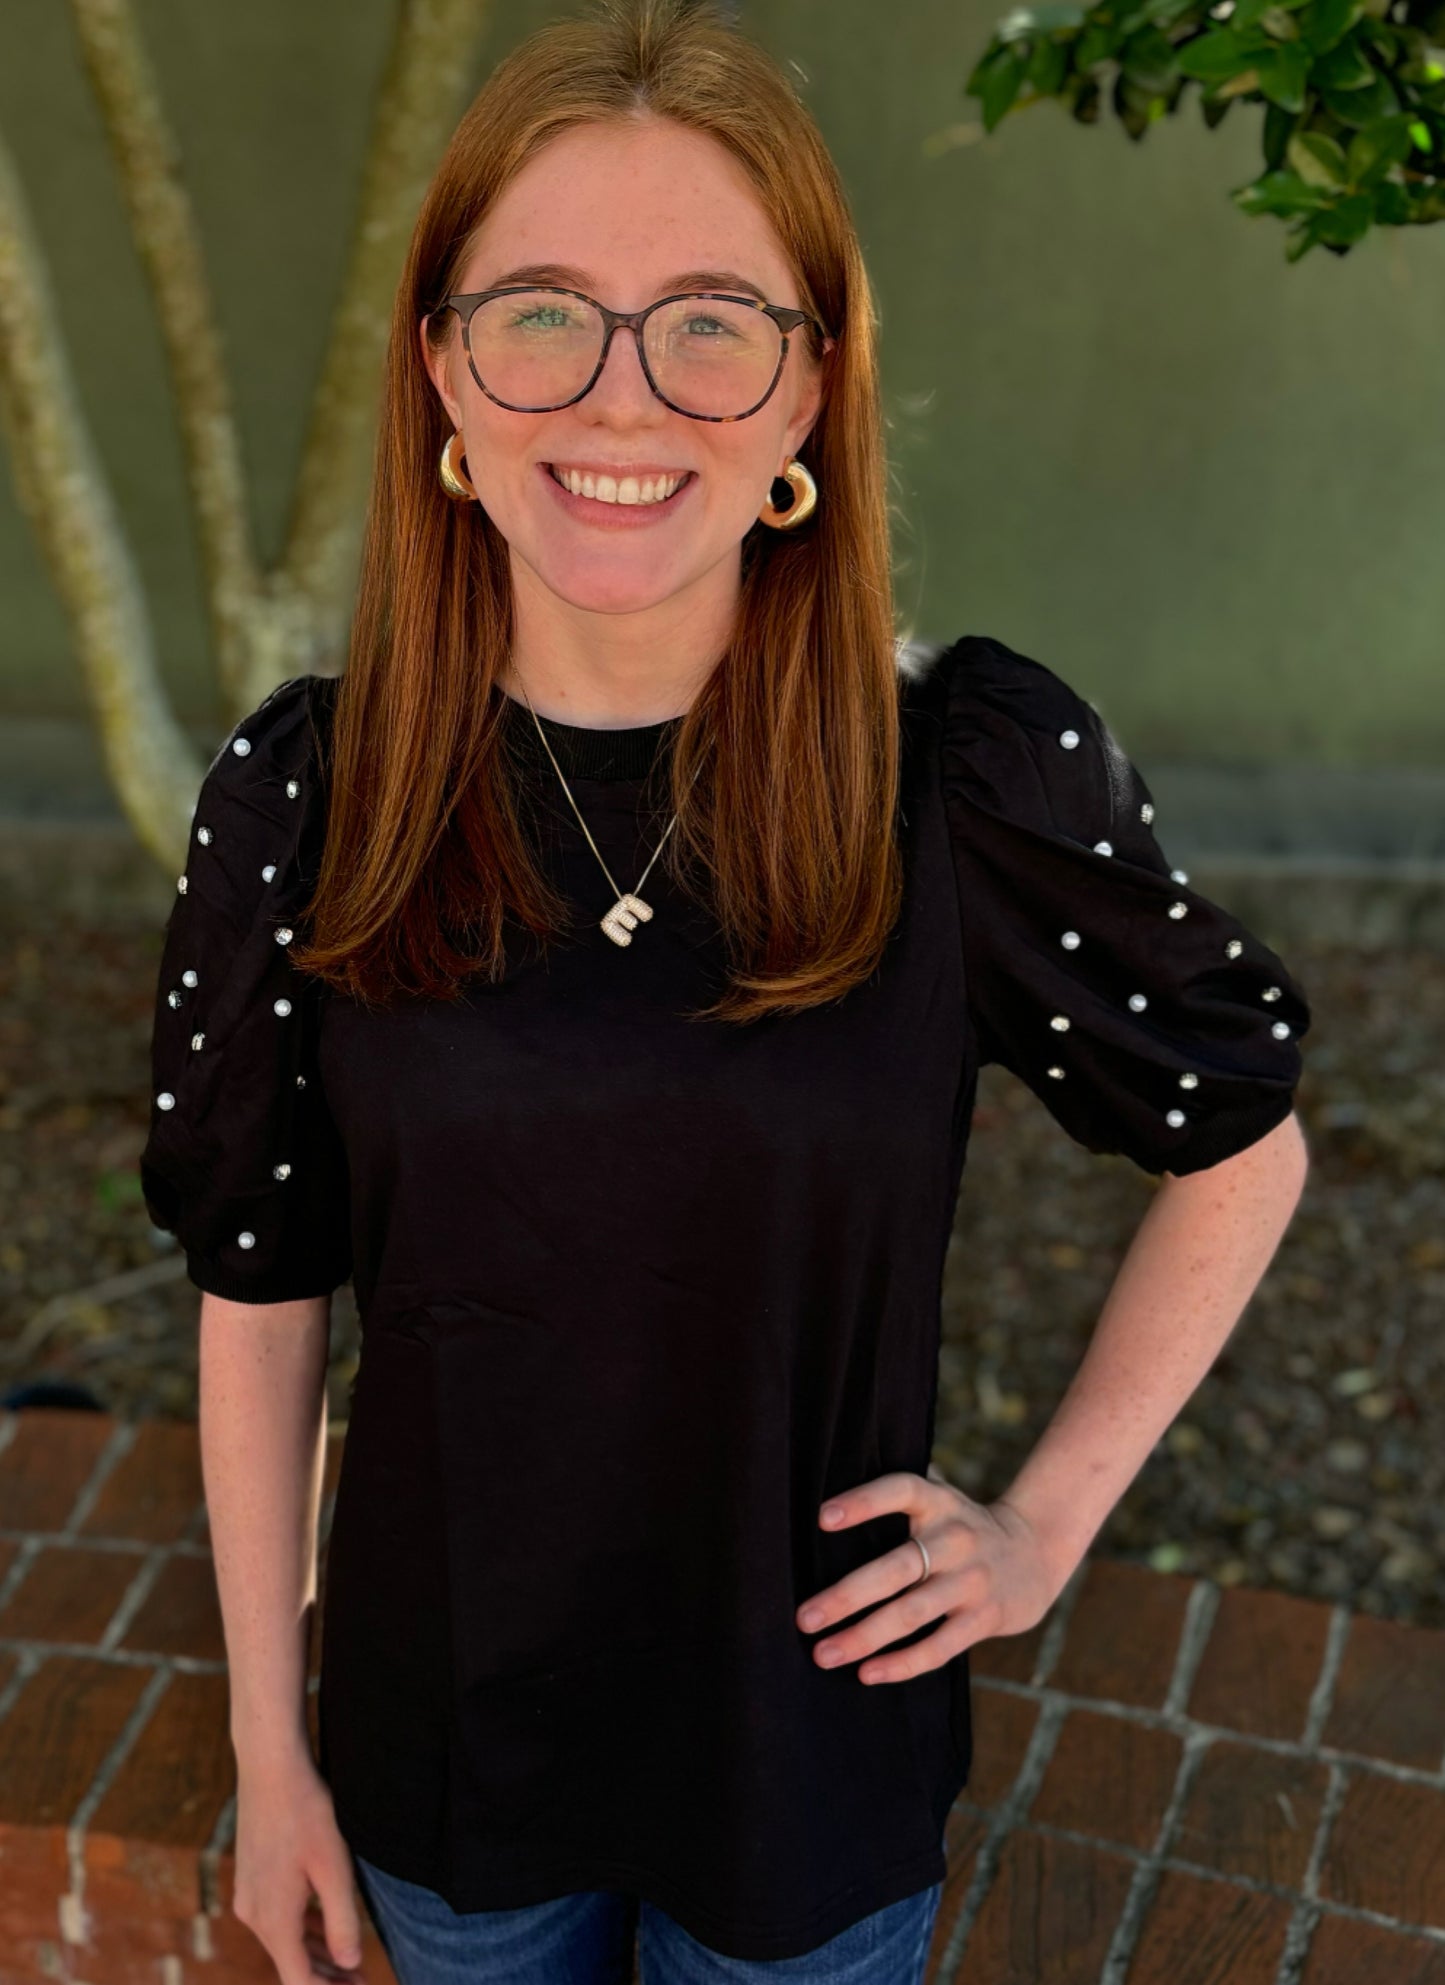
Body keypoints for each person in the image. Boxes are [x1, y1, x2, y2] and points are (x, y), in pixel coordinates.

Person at [138, 1, 1313, 1979]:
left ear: (807, 390)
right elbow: (257, 1294)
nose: (625, 399)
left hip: (810, 1793)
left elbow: (1240, 1137)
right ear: (441, 365)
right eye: (541, 314)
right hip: (450, 1784)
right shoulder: (311, 798)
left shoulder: (962, 778)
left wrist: (1042, 1530)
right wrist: (273, 1747)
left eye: (711, 319)